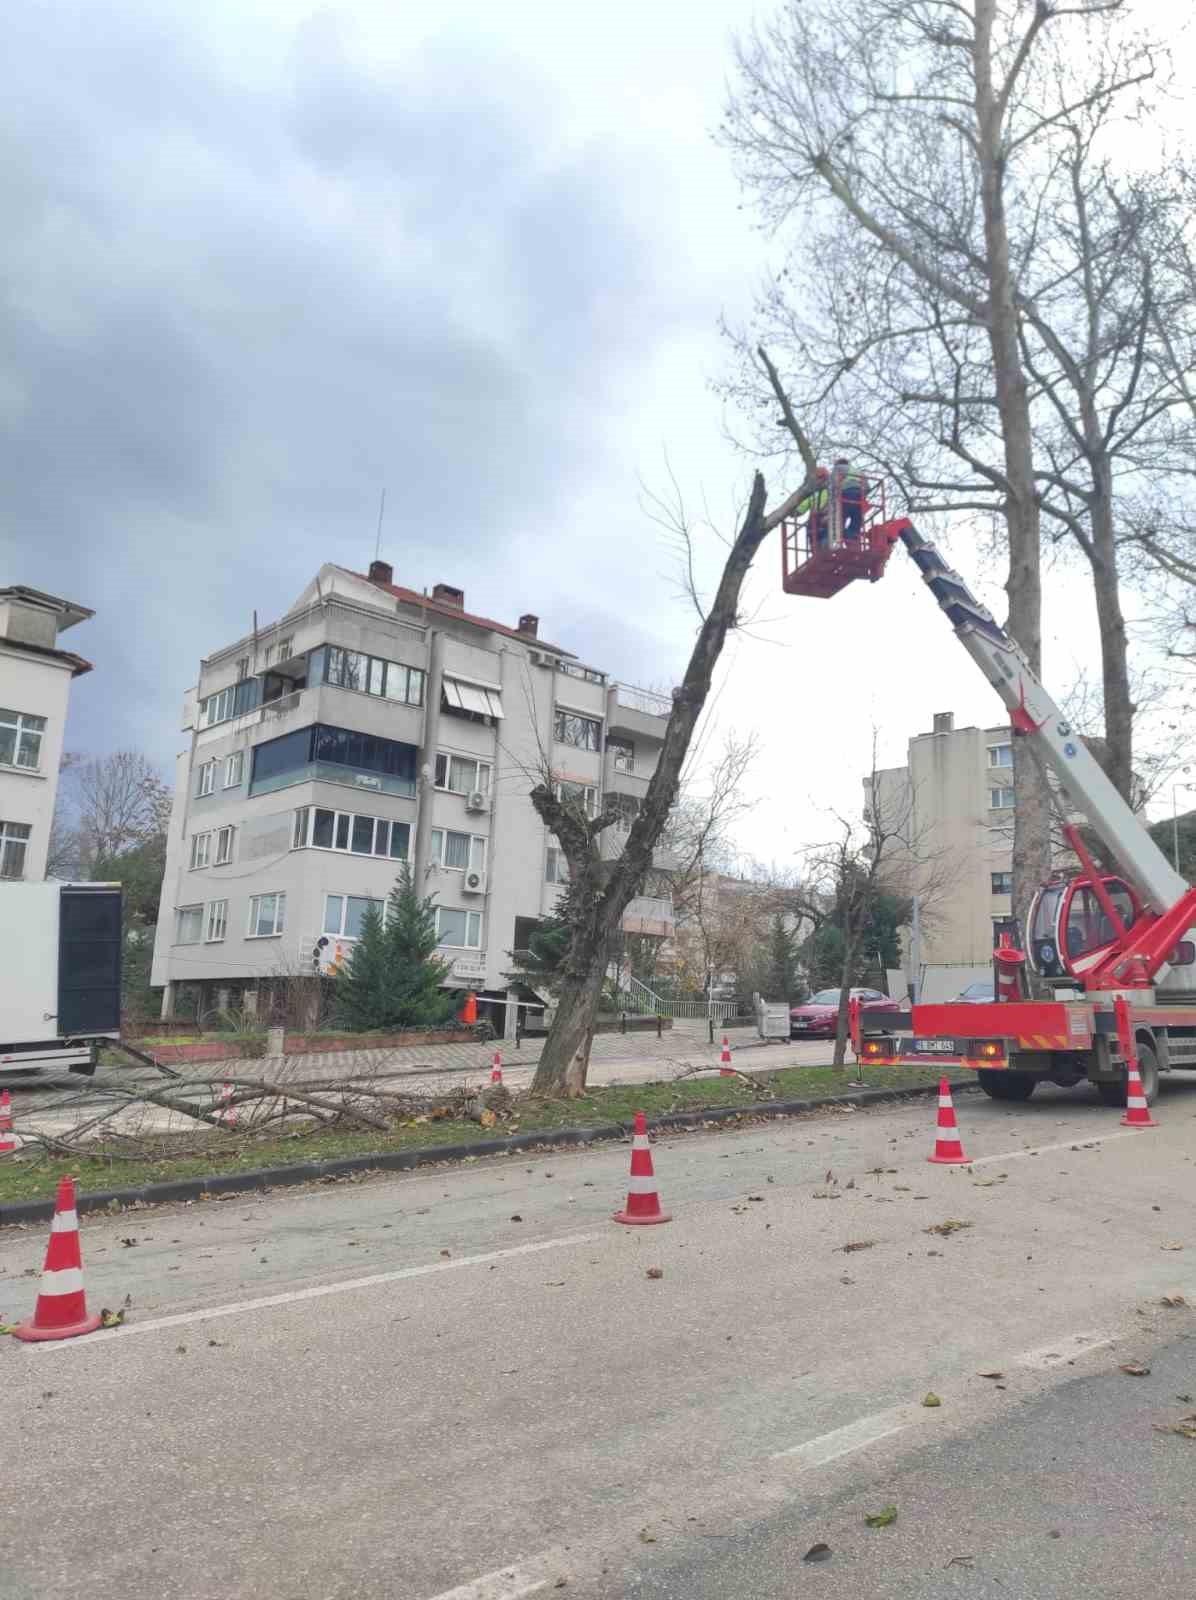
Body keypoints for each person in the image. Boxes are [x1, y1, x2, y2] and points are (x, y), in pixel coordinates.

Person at [831, 457, 865, 541]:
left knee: (842, 514)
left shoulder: (838, 468)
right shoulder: (858, 471)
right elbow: (868, 487)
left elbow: (833, 483)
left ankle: (840, 534)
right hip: (859, 494)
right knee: (857, 516)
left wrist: (833, 497)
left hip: (846, 493)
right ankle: (853, 534)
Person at [797, 466, 831, 548]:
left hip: (824, 518)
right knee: (815, 539)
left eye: (819, 478)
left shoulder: (831, 491)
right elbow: (802, 506)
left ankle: (823, 551)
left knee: (823, 539)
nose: (818, 481)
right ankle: (819, 551)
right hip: (815, 520)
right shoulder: (815, 494)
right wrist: (796, 511)